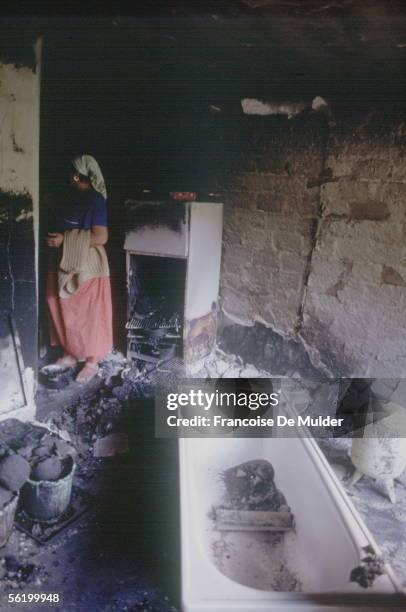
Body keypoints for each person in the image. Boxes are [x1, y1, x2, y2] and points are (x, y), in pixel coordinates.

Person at [46, 154, 113, 383]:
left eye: (70, 175)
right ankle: (71, 353)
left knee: (88, 313)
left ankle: (92, 361)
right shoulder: (71, 196)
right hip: (64, 257)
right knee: (62, 305)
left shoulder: (95, 199)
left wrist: (64, 239)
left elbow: (101, 236)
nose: (68, 178)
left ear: (77, 176)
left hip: (87, 263)